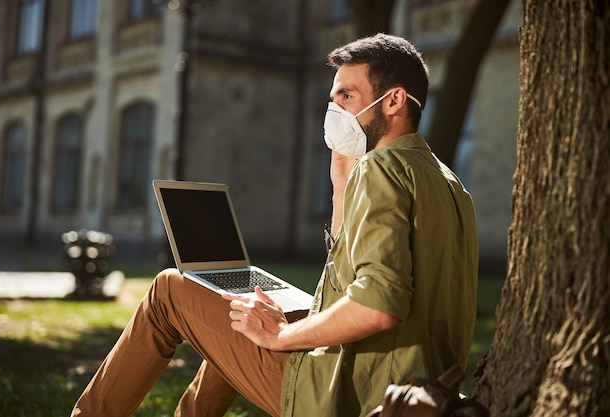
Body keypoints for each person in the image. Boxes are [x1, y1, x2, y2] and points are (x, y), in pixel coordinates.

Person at [71, 33, 478, 417]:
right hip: (410, 392)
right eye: (332, 97)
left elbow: (379, 305)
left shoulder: (380, 168)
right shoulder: (447, 182)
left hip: (348, 397)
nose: (334, 109)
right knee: (247, 311)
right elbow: (356, 271)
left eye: (346, 96)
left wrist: (280, 338)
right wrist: (340, 185)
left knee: (167, 292)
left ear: (394, 101)